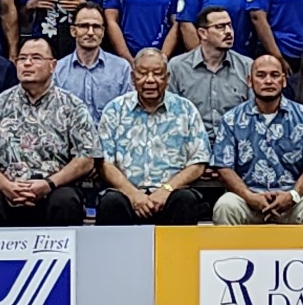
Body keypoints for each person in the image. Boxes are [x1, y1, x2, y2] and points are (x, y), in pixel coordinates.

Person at [0, 37, 100, 226]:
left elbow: (86, 158)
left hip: (54, 187)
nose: (27, 64)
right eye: (22, 59)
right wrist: (5, 186)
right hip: (6, 188)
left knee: (66, 201)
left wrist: (49, 184)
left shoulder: (73, 106)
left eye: (36, 58)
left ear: (52, 65)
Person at [90, 49, 214, 226]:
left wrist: (166, 190)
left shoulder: (185, 109)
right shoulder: (115, 110)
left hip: (171, 195)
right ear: (133, 78)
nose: (150, 80)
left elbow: (198, 161)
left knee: (185, 199)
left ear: (168, 77)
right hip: (127, 196)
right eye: (142, 74)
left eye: (157, 74)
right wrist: (134, 195)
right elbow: (104, 163)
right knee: (111, 202)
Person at [209, 54, 303, 225]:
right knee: (226, 206)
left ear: (284, 81)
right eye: (261, 75)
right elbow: (224, 167)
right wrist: (250, 197)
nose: (268, 81)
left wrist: (293, 195)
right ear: (250, 81)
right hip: (247, 198)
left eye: (275, 75)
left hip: (291, 199)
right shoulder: (232, 119)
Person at [165, 6, 254, 123]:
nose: (228, 31)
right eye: (220, 27)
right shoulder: (178, 67)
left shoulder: (246, 66)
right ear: (203, 33)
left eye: (230, 25)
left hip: (235, 138)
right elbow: (170, 113)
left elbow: (253, 112)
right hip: (192, 137)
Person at [50, 9, 134, 115]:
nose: (90, 32)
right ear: (73, 31)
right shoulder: (58, 70)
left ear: (103, 32)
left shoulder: (121, 68)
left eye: (96, 27)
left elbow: (129, 111)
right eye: (84, 26)